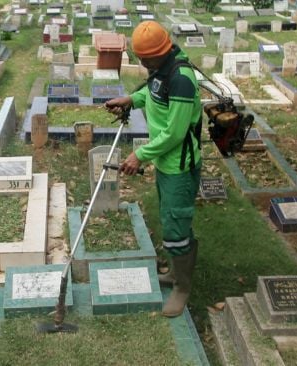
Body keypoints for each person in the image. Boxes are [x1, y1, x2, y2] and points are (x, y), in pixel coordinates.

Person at [104, 21, 202, 318]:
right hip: (166, 163)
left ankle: (182, 287)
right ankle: (176, 271)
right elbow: (152, 94)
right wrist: (132, 99)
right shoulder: (161, 70)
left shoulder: (182, 78)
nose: (142, 63)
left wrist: (139, 156)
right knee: (175, 220)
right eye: (140, 58)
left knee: (174, 226)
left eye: (146, 58)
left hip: (179, 167)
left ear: (162, 52)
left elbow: (175, 133)